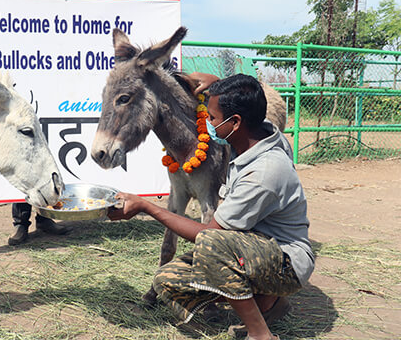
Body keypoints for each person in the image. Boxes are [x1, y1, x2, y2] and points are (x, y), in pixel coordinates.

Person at [107, 74, 314, 340]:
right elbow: (249, 112)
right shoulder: (250, 138)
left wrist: (148, 207)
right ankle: (268, 304)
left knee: (211, 244)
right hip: (251, 246)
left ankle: (260, 333)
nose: (208, 123)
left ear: (235, 122)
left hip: (285, 261)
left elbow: (210, 234)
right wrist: (219, 83)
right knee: (166, 279)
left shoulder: (264, 172)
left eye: (212, 118)